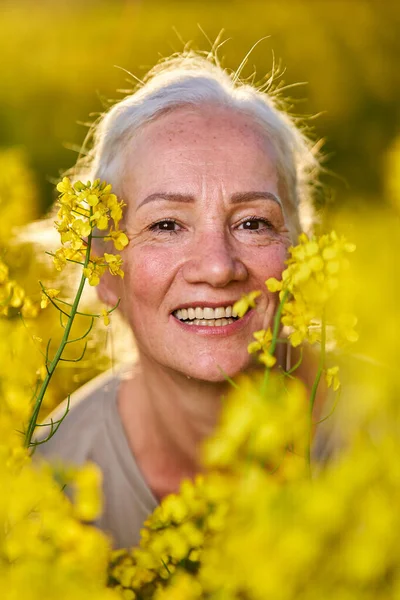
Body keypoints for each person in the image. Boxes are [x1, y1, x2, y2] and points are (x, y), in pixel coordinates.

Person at [37, 51, 321, 549]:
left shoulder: (380, 427)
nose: (217, 267)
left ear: (300, 250)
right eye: (166, 225)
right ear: (103, 268)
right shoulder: (48, 483)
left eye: (253, 223)